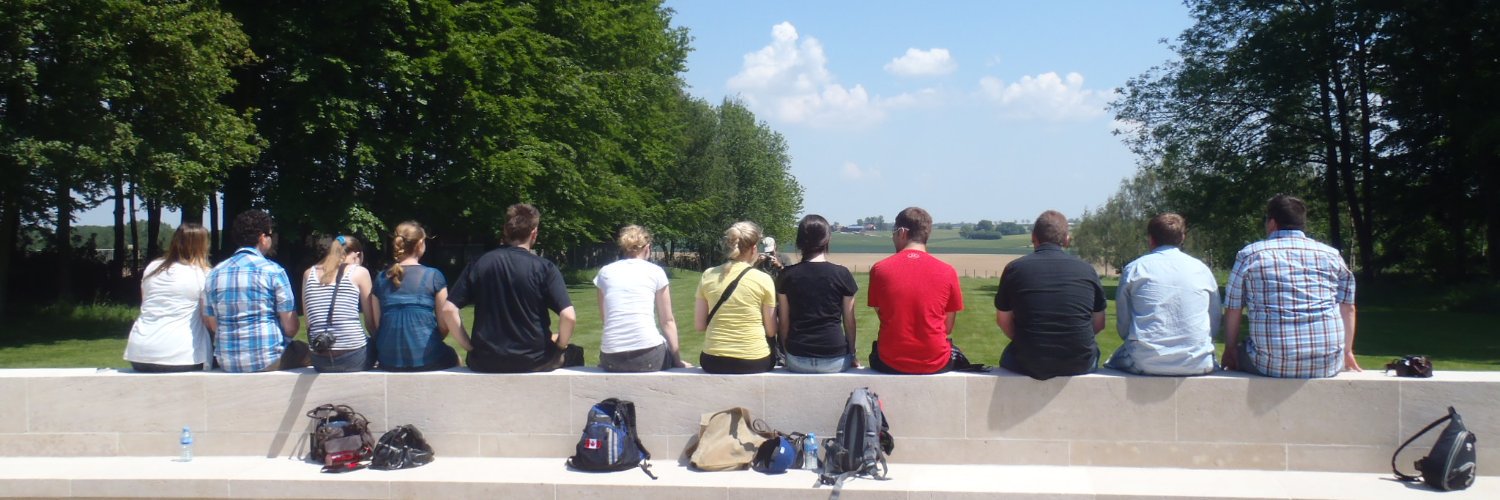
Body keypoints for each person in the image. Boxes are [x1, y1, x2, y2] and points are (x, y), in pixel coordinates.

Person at [1223, 195, 1359, 378]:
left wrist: (1230, 348)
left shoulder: (1250, 255)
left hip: (1269, 363)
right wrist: (1347, 351)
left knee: (1242, 351)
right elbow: (1348, 307)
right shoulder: (1332, 255)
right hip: (1327, 363)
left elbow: (1233, 307)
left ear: (1272, 223)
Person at [448, 203, 582, 373]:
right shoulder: (544, 268)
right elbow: (568, 316)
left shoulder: (479, 263)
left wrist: (469, 346)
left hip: (484, 360)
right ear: (534, 233)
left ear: (505, 230)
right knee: (575, 353)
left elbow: (448, 310)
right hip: (535, 360)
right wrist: (559, 347)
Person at [996, 210, 1107, 380]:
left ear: (1033, 237)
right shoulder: (1087, 270)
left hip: (1028, 361)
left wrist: (1026, 342)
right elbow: (1099, 323)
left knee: (1009, 355)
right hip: (1079, 361)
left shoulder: (1014, 269)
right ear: (1067, 239)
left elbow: (1003, 321)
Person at [1104, 213, 1220, 376]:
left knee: (1112, 361)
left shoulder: (1135, 269)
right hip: (1197, 361)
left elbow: (1124, 325)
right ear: (1182, 238)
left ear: (1151, 239)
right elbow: (1214, 320)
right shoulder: (1201, 269)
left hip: (1145, 360)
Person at [203, 209, 309, 372]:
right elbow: (291, 327)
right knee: (312, 353)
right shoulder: (273, 271)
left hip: (227, 361)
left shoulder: (214, 273)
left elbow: (213, 324)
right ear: (262, 237)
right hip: (267, 359)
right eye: (270, 235)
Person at [867, 207, 965, 375]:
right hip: (936, 361)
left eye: (893, 232)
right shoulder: (948, 271)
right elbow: (947, 327)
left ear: (902, 232)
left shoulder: (879, 269)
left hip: (890, 361)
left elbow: (885, 315)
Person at [373, 221, 466, 371]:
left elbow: (376, 324)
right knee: (455, 356)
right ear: (420, 244)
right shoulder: (434, 276)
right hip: (427, 357)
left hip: (388, 359)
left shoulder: (380, 278)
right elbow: (444, 326)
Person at [593, 225, 688, 372]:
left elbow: (606, 318)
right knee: (664, 346)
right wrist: (677, 361)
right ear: (647, 248)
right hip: (648, 357)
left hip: (611, 359)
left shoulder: (605, 272)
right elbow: (667, 321)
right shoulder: (656, 272)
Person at [123, 223, 213, 372]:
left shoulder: (153, 267)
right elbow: (208, 319)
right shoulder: (203, 274)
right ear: (203, 245)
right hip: (181, 355)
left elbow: (145, 302)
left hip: (139, 353)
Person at [777, 215, 860, 373]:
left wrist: (787, 354)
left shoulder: (786, 275)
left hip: (797, 358)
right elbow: (850, 322)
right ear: (827, 239)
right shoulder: (842, 274)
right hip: (835, 358)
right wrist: (852, 354)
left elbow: (784, 322)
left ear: (799, 241)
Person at [694, 221, 777, 374]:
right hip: (755, 360)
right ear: (754, 249)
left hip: (713, 360)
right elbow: (771, 331)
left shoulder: (708, 275)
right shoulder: (764, 279)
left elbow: (700, 326)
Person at [302, 235, 376, 372]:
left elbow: (308, 323)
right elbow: (370, 323)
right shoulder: (359, 272)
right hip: (353, 358)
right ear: (357, 255)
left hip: (319, 359)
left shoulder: (308, 274)